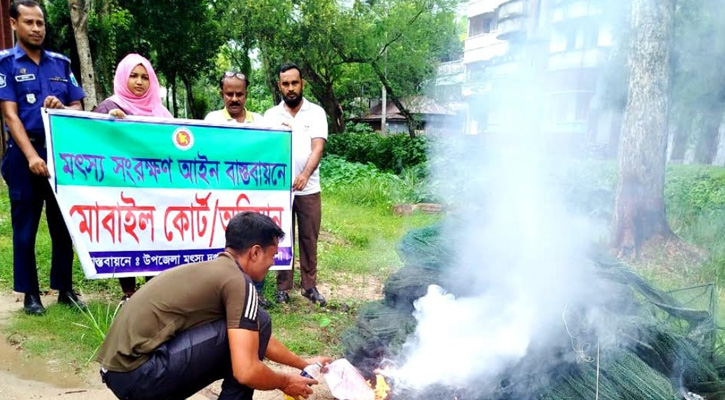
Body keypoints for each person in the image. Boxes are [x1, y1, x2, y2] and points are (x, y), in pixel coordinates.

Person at [97, 211, 331, 400]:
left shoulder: (218, 271)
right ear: (255, 252)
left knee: (257, 324)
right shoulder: (239, 282)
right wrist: (285, 381)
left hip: (121, 372)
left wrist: (303, 363)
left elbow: (255, 337)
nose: (272, 263)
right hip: (139, 376)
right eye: (272, 256)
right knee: (259, 325)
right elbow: (246, 370)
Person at [0, 0, 86, 315]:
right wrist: (32, 156)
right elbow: (10, 116)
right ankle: (31, 294)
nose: (37, 29)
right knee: (26, 227)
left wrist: (63, 108)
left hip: (60, 154)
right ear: (14, 24)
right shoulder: (5, 63)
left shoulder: (61, 63)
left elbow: (79, 107)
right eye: (29, 22)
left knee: (63, 223)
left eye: (40, 23)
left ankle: (65, 288)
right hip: (25, 155)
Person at [93, 53, 171, 300]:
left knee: (156, 236)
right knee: (128, 237)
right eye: (133, 76)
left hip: (155, 188)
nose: (139, 82)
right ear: (122, 78)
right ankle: (128, 292)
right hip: (123, 189)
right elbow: (91, 140)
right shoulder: (109, 107)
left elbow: (173, 144)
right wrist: (111, 125)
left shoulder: (161, 112)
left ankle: (153, 292)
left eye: (145, 77)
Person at [264, 63, 327, 307]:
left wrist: (304, 175)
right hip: (279, 191)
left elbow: (318, 147)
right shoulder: (271, 116)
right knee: (281, 238)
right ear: (279, 86)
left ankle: (309, 286)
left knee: (309, 237)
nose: (291, 88)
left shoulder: (316, 113)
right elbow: (265, 149)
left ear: (302, 84)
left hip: (309, 188)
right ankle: (283, 288)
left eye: (295, 83)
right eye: (286, 84)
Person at [205, 70, 270, 307]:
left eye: (239, 94)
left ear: (246, 95)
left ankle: (257, 292)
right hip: (222, 194)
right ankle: (225, 290)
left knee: (256, 239)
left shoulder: (262, 123)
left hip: (254, 193)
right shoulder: (211, 120)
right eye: (229, 94)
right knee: (229, 240)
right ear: (222, 94)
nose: (234, 99)